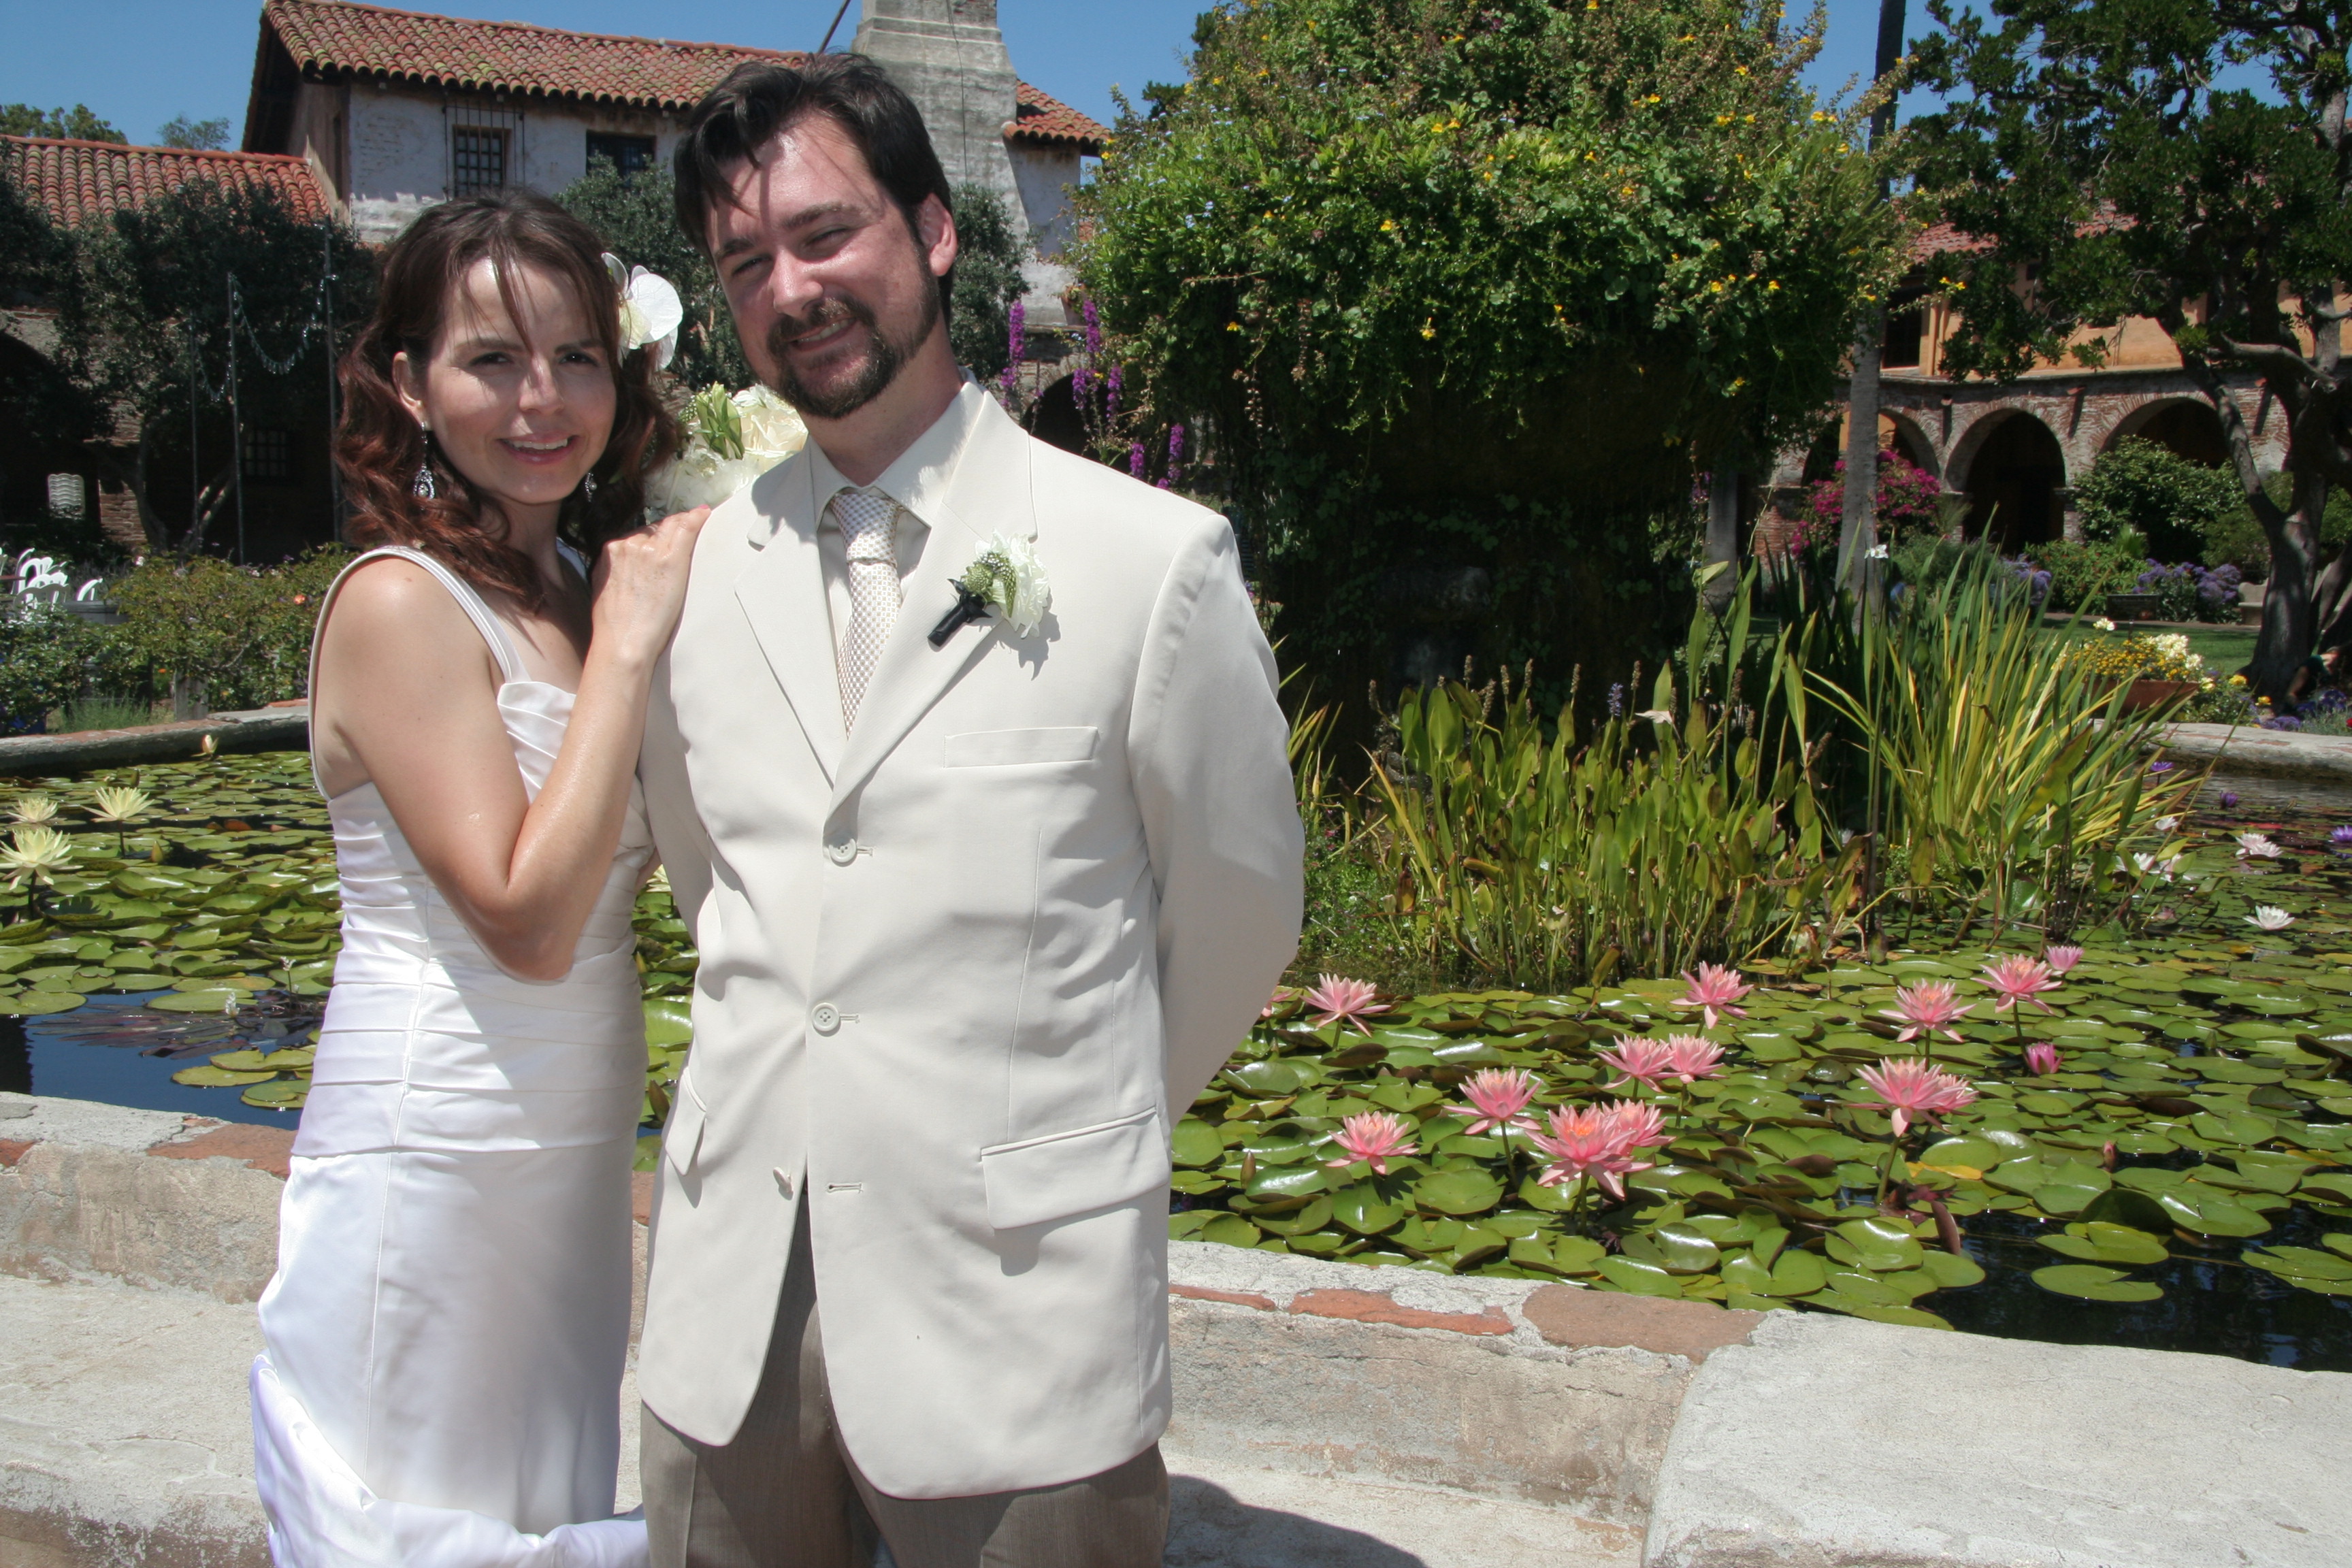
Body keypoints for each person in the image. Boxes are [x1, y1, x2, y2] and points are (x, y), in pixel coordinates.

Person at [634, 56, 1304, 1568]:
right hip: (730, 1311)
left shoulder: (1150, 560)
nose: (793, 289)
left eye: (827, 234)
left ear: (935, 233)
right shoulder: (696, 570)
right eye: (746, 262)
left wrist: (1058, 1141)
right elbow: (712, 877)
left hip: (1020, 1321)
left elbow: (1243, 911)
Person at [249, 191, 708, 1566]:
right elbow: (524, 919)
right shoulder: (401, 602)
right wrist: (628, 647)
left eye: (576, 358)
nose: (541, 401)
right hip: (438, 1143)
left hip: (572, 1144)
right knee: (432, 1520)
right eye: (491, 361)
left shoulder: (571, 578)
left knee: (542, 1499)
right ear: (409, 381)